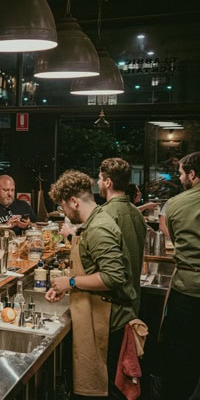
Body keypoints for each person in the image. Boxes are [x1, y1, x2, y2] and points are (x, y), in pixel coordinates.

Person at [46, 170, 136, 399]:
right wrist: (67, 287)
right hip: (97, 317)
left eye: (63, 206)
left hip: (109, 323)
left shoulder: (99, 229)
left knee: (108, 392)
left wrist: (72, 281)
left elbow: (113, 277)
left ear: (74, 201)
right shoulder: (94, 222)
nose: (64, 212)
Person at [161, 151, 200, 400]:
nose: (180, 177)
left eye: (181, 173)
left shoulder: (176, 204)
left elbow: (174, 240)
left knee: (181, 355)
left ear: (192, 175)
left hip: (187, 289)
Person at [98, 158, 147, 315]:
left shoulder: (105, 214)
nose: (98, 182)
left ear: (108, 182)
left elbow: (106, 272)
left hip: (112, 306)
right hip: (133, 303)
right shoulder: (136, 213)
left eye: (99, 178)